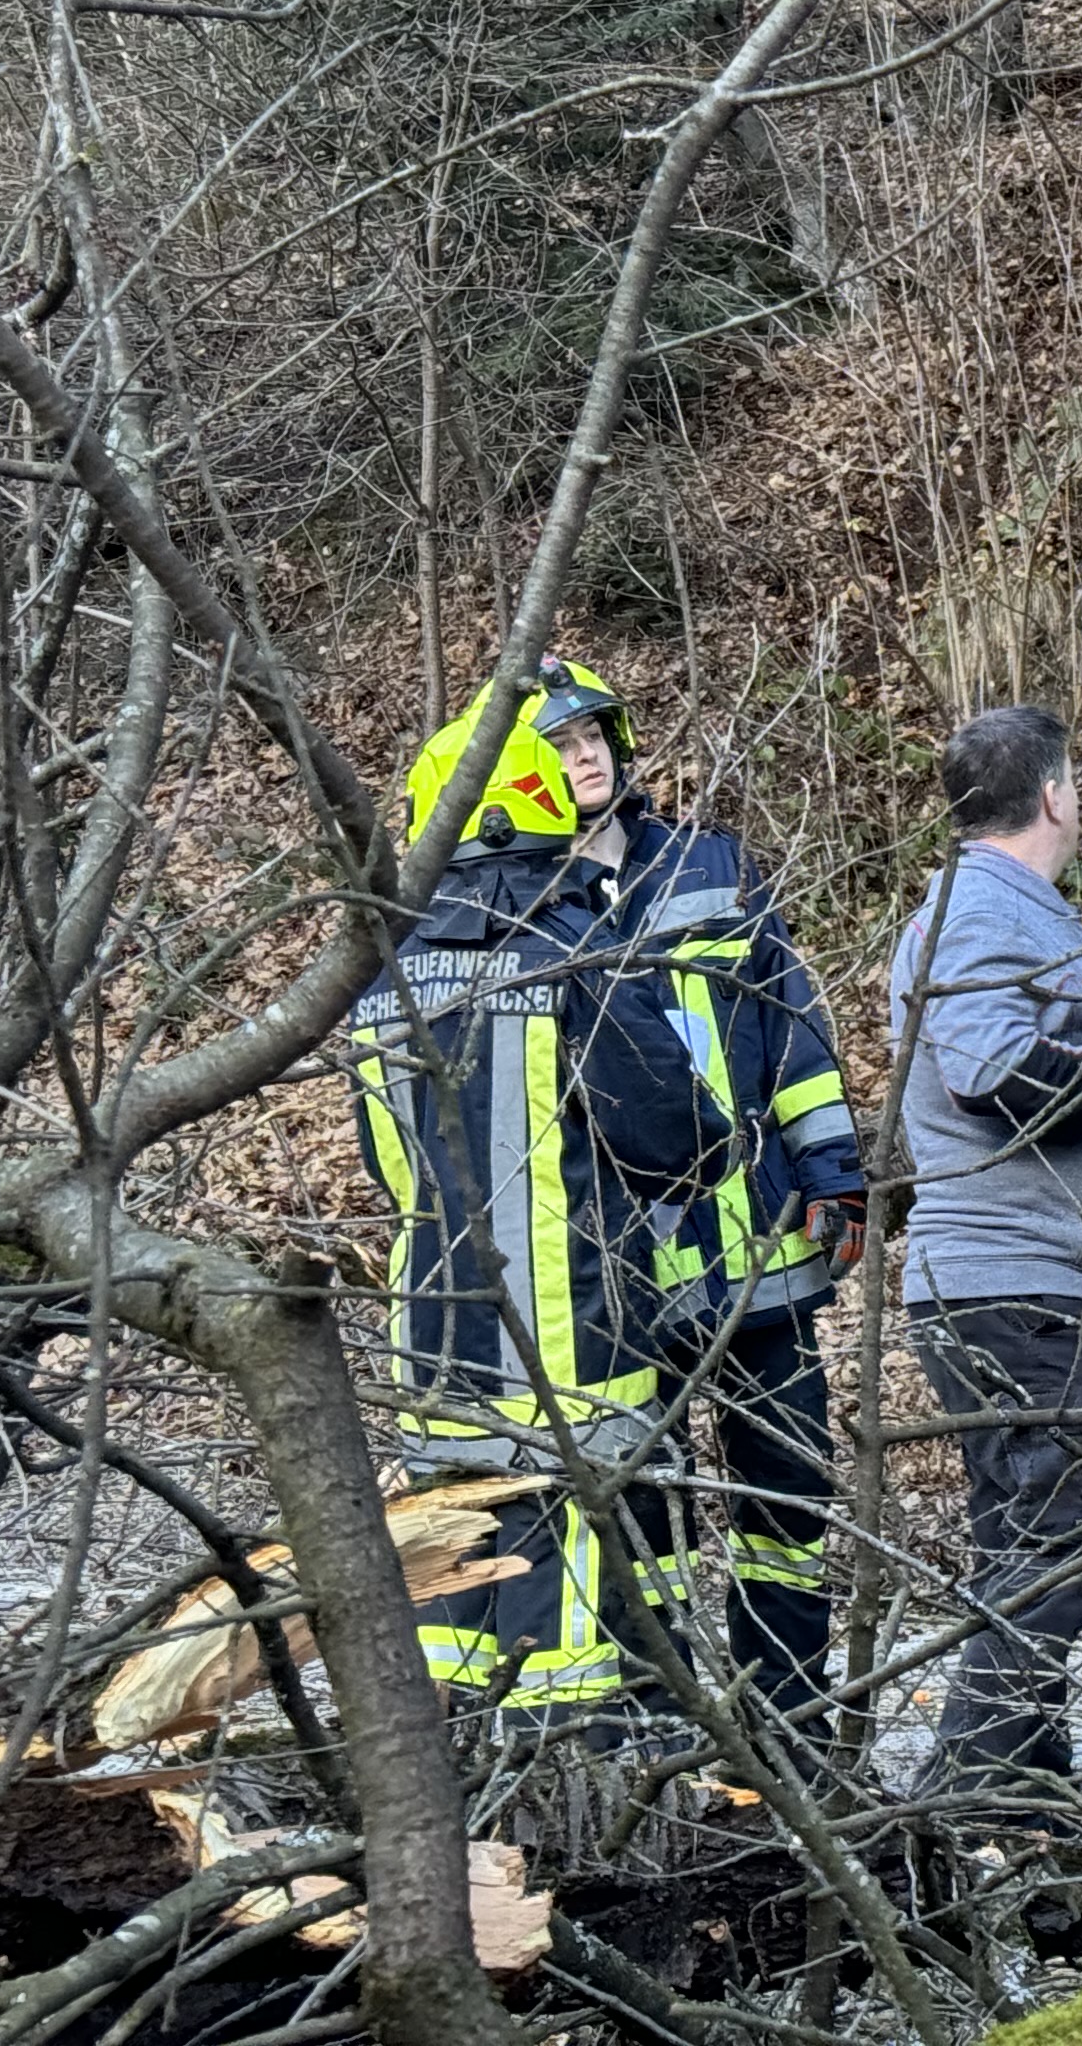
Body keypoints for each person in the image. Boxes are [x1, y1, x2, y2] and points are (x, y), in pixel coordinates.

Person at [350, 675, 730, 1733]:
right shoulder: (572, 955)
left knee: (462, 1568)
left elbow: (390, 1168)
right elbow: (674, 1137)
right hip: (582, 1333)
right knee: (591, 1575)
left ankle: (466, 1786)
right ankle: (590, 1774)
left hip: (433, 1338)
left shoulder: (380, 978)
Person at [532, 660, 866, 1750]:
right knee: (643, 1506)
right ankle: (662, 1718)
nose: (585, 754)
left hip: (758, 1239)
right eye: (559, 741)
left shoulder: (712, 867)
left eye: (595, 735)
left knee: (788, 1495)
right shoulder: (516, 909)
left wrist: (831, 1171)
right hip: (619, 1265)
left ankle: (790, 1711)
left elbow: (794, 1030)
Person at [890, 703, 1082, 1803]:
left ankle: (1022, 1786)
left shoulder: (1006, 908)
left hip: (1016, 1281)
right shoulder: (984, 911)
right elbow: (994, 1075)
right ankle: (966, 1790)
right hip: (1015, 1282)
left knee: (1032, 1532)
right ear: (1059, 794)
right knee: (1072, 1525)